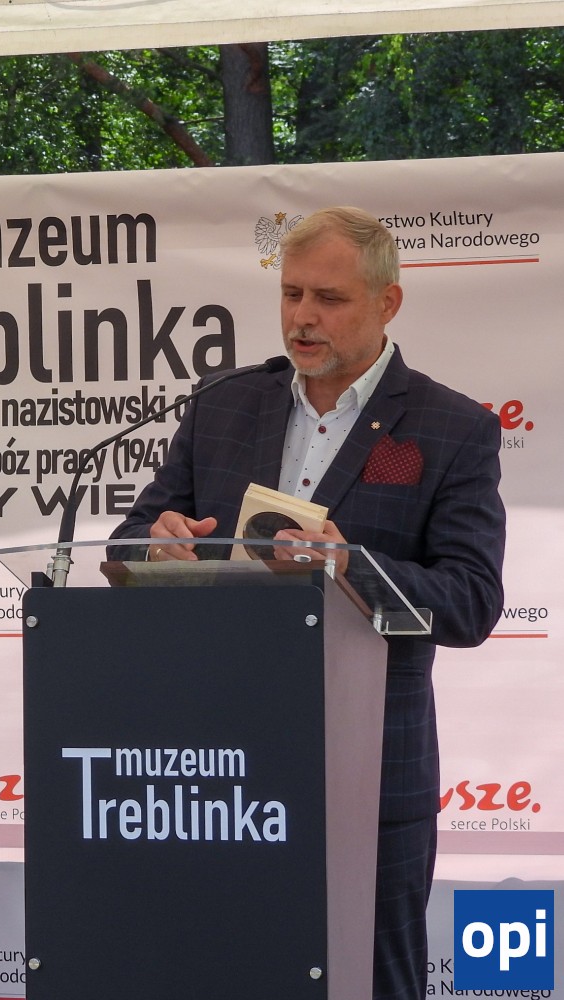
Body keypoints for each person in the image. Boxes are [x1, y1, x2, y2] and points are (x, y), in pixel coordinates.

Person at [110, 206, 505, 1000]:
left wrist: (350, 567)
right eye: (291, 294)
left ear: (387, 303)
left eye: (329, 298)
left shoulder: (451, 428)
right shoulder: (225, 403)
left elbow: (471, 600)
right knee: (227, 975)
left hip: (369, 770)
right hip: (220, 771)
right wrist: (158, 545)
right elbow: (124, 546)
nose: (302, 317)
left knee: (374, 981)